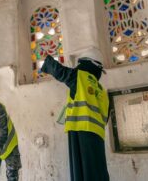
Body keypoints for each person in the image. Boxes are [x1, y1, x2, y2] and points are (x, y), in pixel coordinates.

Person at [41, 48, 110, 181]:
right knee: (97, 170)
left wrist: (48, 60)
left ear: (87, 64)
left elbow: (61, 72)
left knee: (82, 172)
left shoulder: (81, 77)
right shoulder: (101, 89)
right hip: (97, 136)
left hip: (80, 131)